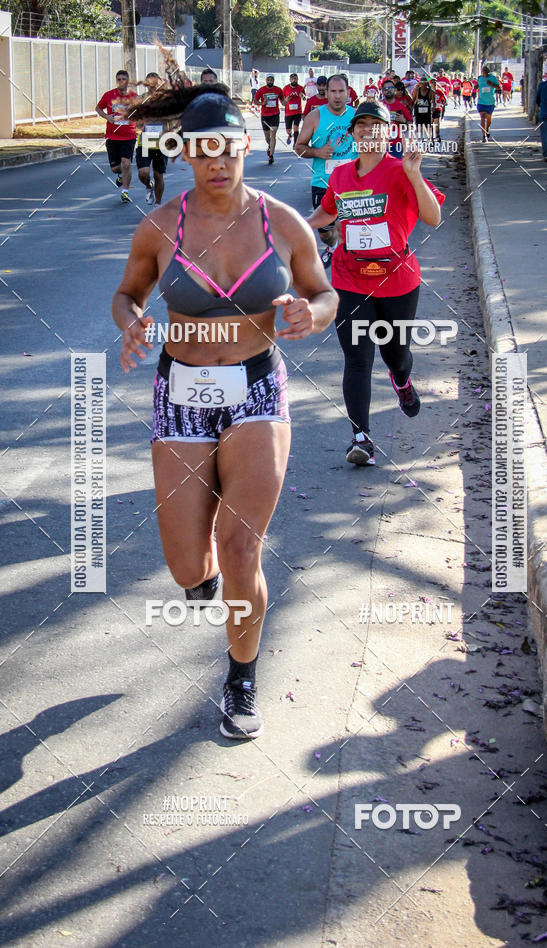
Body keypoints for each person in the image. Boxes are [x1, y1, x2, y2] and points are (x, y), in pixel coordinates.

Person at [113, 85, 337, 739]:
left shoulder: (282, 223)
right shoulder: (160, 226)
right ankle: (202, 584)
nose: (218, 160)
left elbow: (323, 294)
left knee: (242, 547)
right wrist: (130, 324)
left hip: (256, 391)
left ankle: (241, 678)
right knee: (189, 564)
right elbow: (127, 294)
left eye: (229, 148)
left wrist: (308, 312)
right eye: (203, 149)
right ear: (186, 154)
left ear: (244, 147)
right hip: (180, 392)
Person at [307, 101, 444, 466]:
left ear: (389, 132)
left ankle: (401, 382)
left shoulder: (401, 171)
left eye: (376, 125)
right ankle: (361, 437)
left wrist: (415, 175)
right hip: (350, 277)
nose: (368, 130)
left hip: (397, 281)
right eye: (361, 125)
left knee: (396, 355)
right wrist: (295, 226)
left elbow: (434, 217)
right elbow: (327, 212)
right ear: (352, 134)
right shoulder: (340, 176)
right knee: (357, 358)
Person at [295, 74, 356, 267]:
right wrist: (317, 152)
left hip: (353, 183)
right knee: (326, 233)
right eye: (333, 91)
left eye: (341, 91)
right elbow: (299, 148)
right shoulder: (315, 117)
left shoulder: (357, 117)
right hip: (323, 182)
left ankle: (346, 260)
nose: (337, 96)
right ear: (326, 93)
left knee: (349, 228)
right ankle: (331, 244)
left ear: (348, 93)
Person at [96, 69, 138, 203]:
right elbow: (98, 108)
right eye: (118, 79)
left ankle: (125, 192)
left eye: (123, 79)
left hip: (129, 136)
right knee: (115, 168)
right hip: (112, 136)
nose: (121, 82)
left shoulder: (133, 97)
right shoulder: (109, 95)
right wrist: (107, 117)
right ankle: (120, 175)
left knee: (126, 163)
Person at [135, 72, 169, 206]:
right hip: (145, 142)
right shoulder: (141, 100)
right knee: (143, 173)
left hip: (161, 143)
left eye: (156, 83)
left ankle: (158, 204)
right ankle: (149, 186)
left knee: (158, 175)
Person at [254, 73, 284, 164]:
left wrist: (286, 102)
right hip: (265, 115)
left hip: (275, 115)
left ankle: (271, 156)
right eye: (268, 80)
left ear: (273, 80)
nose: (270, 81)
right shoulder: (261, 90)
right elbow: (255, 101)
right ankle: (270, 147)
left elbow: (283, 101)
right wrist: (261, 103)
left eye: (271, 80)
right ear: (266, 80)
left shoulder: (278, 90)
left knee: (273, 134)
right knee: (267, 138)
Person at [381, 78, 411, 157]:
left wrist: (404, 120)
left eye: (391, 88)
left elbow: (411, 124)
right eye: (386, 89)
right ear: (383, 91)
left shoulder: (401, 106)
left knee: (395, 168)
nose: (388, 90)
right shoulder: (378, 106)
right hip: (380, 144)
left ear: (394, 89)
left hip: (396, 145)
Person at [476, 65, 500, 141]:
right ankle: (484, 136)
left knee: (488, 120)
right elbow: (477, 86)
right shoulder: (480, 78)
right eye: (483, 70)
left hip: (490, 102)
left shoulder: (493, 78)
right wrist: (475, 87)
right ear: (482, 72)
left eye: (486, 70)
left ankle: (487, 128)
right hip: (481, 102)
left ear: (488, 71)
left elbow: (499, 87)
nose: (484, 72)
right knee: (482, 118)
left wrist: (491, 84)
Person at [282, 72, 305, 147]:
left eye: (295, 79)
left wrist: (303, 96)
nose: (294, 80)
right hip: (288, 112)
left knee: (296, 127)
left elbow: (304, 98)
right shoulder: (285, 88)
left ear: (297, 79)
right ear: (290, 80)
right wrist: (286, 99)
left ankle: (295, 144)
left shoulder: (301, 88)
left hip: (298, 111)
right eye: (292, 79)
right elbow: (283, 101)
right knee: (288, 130)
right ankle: (289, 135)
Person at [412, 76, 434, 140]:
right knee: (419, 126)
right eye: (422, 83)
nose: (423, 85)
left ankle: (428, 139)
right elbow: (413, 101)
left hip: (427, 112)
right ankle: (420, 138)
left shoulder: (431, 92)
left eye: (425, 83)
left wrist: (433, 108)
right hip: (418, 111)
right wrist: (411, 109)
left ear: (427, 84)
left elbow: (433, 102)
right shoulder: (416, 91)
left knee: (427, 126)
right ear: (420, 84)